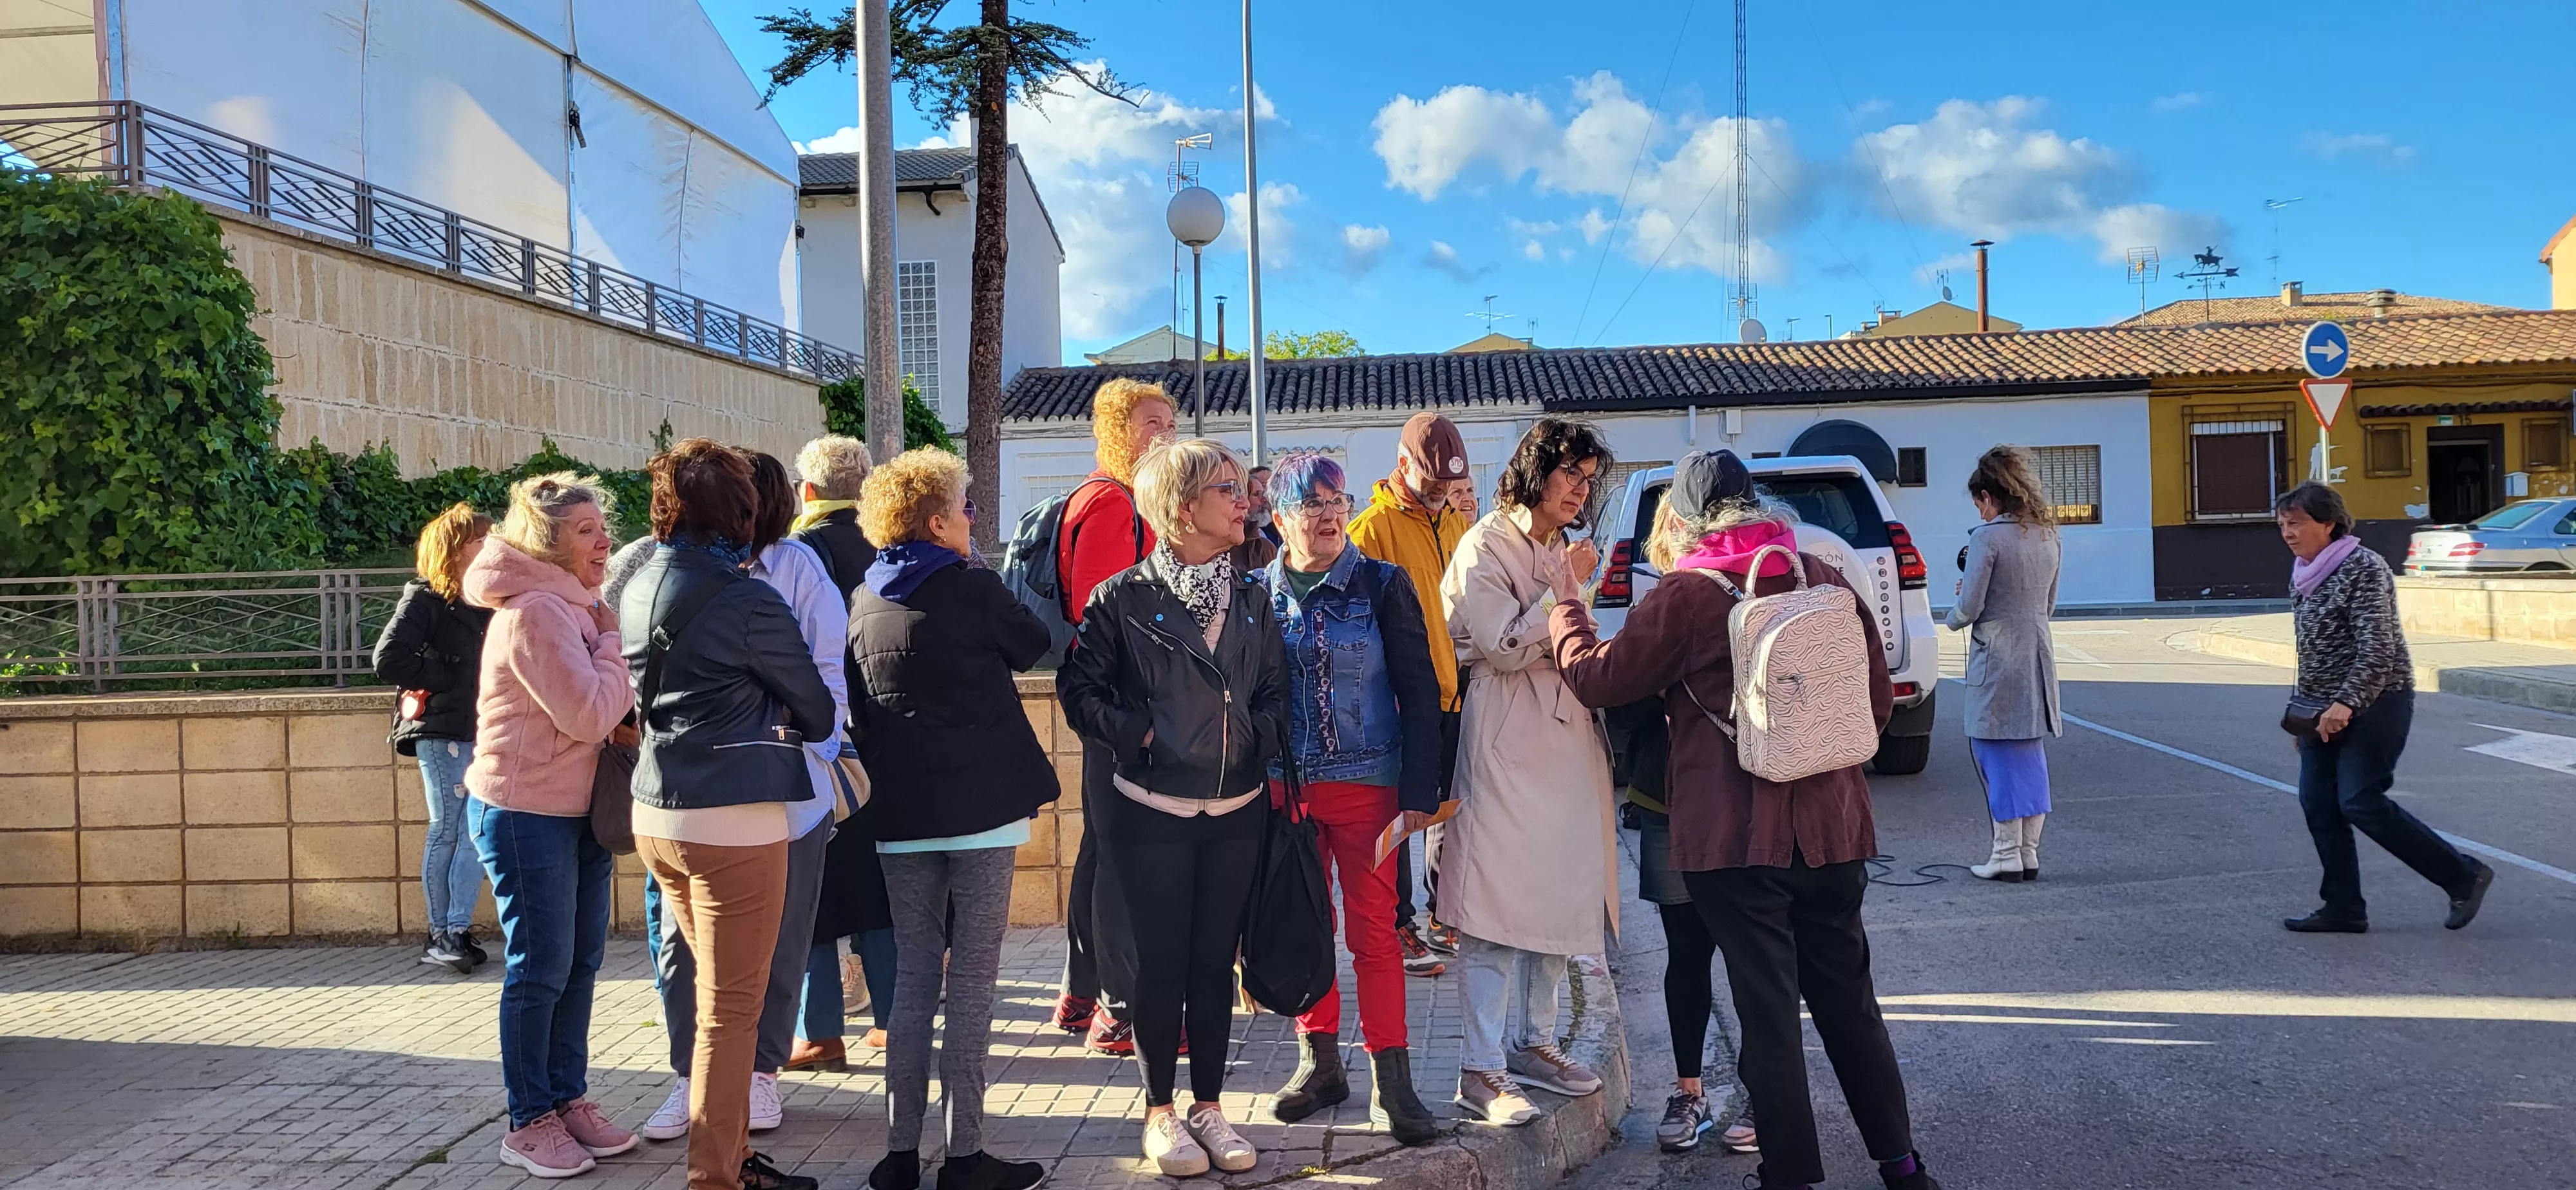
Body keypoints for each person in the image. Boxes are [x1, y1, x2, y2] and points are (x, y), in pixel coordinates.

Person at [1550, 449, 1942, 1190]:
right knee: (1850, 1006)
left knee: (1766, 1013)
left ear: (1684, 520)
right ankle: (1902, 1166)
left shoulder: (1687, 595)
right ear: (1758, 507)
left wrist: (1565, 608)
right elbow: (1876, 705)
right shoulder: (1824, 579)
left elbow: (1599, 681)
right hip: (1834, 833)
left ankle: (1790, 1176)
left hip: (1734, 841)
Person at [1058, 438, 1285, 1178]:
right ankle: (1160, 1112)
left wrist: (1258, 741)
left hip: (1236, 807)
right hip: (1148, 809)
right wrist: (1141, 734)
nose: (1242, 498)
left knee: (1214, 963)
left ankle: (1210, 1107)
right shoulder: (1120, 599)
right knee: (1158, 965)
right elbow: (1079, 692)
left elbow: (1276, 692)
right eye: (1227, 488)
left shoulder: (1254, 598)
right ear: (1184, 508)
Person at [620, 439, 837, 1190]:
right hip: (735, 820)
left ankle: (733, 1158)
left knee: (714, 997)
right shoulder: (749, 597)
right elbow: (814, 708)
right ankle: (716, 1176)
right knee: (731, 1011)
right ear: (741, 513)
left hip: (659, 812)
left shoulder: (639, 581)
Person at [848, 448, 1057, 1190]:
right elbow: (1035, 646)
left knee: (911, 979)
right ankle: (964, 1156)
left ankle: (899, 1155)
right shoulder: (969, 584)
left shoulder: (864, 596)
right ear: (937, 521)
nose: (974, 518)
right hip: (980, 810)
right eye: (967, 507)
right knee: (971, 979)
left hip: (900, 811)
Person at [1434, 417, 1616, 1127]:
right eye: (1569, 474)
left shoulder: (1561, 549)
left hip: (1565, 735)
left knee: (1557, 897)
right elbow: (1504, 646)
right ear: (1535, 470)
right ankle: (1479, 1069)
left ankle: (1534, 1043)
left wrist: (1565, 597)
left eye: (1587, 480)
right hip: (1507, 734)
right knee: (1495, 904)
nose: (1578, 490)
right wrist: (1563, 596)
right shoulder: (1485, 542)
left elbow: (1568, 639)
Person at [1258, 453, 1443, 1146]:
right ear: (1279, 520)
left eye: (1337, 500)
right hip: (1286, 794)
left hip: (1372, 788)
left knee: (1374, 936)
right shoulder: (1256, 594)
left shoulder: (1382, 584)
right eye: (1313, 505)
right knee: (1307, 928)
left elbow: (1420, 691)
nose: (1332, 514)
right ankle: (1320, 1066)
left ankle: (1392, 1085)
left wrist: (1421, 789)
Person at [461, 473, 638, 1178]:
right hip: (525, 812)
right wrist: (612, 645)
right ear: (549, 540)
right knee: (540, 971)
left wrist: (603, 641)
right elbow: (591, 715)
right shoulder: (538, 612)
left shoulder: (576, 607)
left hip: (577, 811)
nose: (605, 542)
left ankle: (567, 1102)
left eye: (603, 528)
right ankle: (527, 1120)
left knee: (579, 966)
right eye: (587, 531)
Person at [2276, 482, 2494, 934]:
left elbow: (2379, 649)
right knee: (2319, 805)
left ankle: (2462, 875)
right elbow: (2311, 652)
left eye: (2296, 524)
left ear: (2328, 523)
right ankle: (2343, 908)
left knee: (2359, 800)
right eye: (2282, 525)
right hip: (2320, 709)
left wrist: (2346, 703)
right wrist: (2306, 719)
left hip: (2378, 701)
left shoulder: (2363, 567)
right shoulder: (2303, 573)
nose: (2288, 533)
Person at [1050, 377, 1175, 1055]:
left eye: (1170, 422)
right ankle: (1121, 1010)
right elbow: (1111, 616)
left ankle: (1083, 993)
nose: (1167, 434)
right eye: (1153, 423)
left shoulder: (1121, 502)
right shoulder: (1108, 505)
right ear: (1117, 431)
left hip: (1115, 698)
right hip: (1122, 702)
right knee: (1123, 850)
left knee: (1102, 846)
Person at [784, 435, 899, 1070]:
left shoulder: (798, 554)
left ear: (808, 491)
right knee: (877, 891)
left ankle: (820, 1031)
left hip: (823, 742)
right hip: (887, 740)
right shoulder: (888, 547)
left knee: (813, 893)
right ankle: (891, 1021)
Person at [1347, 412, 1476, 978]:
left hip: (1452, 692)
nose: (1441, 495)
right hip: (1399, 701)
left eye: (1450, 485)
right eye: (1431, 484)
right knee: (1397, 818)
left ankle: (1442, 915)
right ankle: (1399, 925)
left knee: (1441, 810)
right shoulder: (1370, 531)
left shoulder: (1452, 523)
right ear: (1402, 466)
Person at [1605, 694, 1757, 1157]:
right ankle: (1689, 1093)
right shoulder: (1656, 616)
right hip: (1668, 798)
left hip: (1753, 797)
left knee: (1755, 959)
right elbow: (1620, 706)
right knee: (1687, 952)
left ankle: (1767, 1091)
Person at [374, 501, 495, 975]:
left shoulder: (485, 597)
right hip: (441, 729)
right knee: (453, 828)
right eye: (482, 539)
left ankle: (454, 930)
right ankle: (445, 932)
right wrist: (447, 675)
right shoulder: (426, 597)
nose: (492, 546)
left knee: (472, 830)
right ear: (458, 548)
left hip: (477, 728)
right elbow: (389, 658)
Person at [1946, 446, 2064, 882]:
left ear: (1987, 497)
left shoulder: (1987, 538)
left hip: (1997, 656)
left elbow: (1971, 605)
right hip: (2036, 652)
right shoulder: (2048, 534)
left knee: (1994, 750)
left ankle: (2004, 853)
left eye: (1979, 503)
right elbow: (2048, 603)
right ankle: (2028, 852)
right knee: (2030, 752)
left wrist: (1952, 615)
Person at [1229, 464, 1282, 571]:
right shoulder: (1229, 542)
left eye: (1266, 492)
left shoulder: (1268, 541)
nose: (1264, 500)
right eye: (1257, 494)